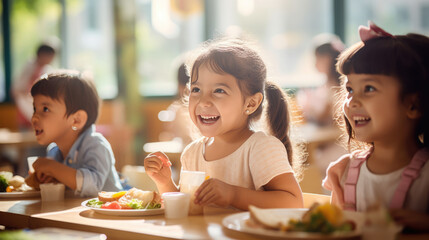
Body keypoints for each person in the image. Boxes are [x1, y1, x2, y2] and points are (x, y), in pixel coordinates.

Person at [144, 38, 304, 210]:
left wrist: (233, 195)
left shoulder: (260, 147)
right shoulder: (192, 153)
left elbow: (294, 202)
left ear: (250, 103)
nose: (204, 102)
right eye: (196, 90)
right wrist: (165, 183)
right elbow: (190, 208)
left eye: (219, 91)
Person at [323, 22, 429, 232]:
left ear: (413, 105)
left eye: (369, 88)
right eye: (350, 89)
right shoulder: (341, 172)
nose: (352, 101)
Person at [29, 71, 123, 197]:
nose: (34, 118)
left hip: (110, 214)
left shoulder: (96, 145)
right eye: (35, 109)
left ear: (76, 120)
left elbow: (94, 186)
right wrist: (47, 179)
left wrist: (52, 167)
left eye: (45, 109)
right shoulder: (53, 151)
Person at [12, 42, 58, 129]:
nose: (51, 60)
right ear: (41, 55)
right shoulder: (28, 68)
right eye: (50, 56)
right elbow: (17, 90)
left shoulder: (46, 69)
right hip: (26, 111)